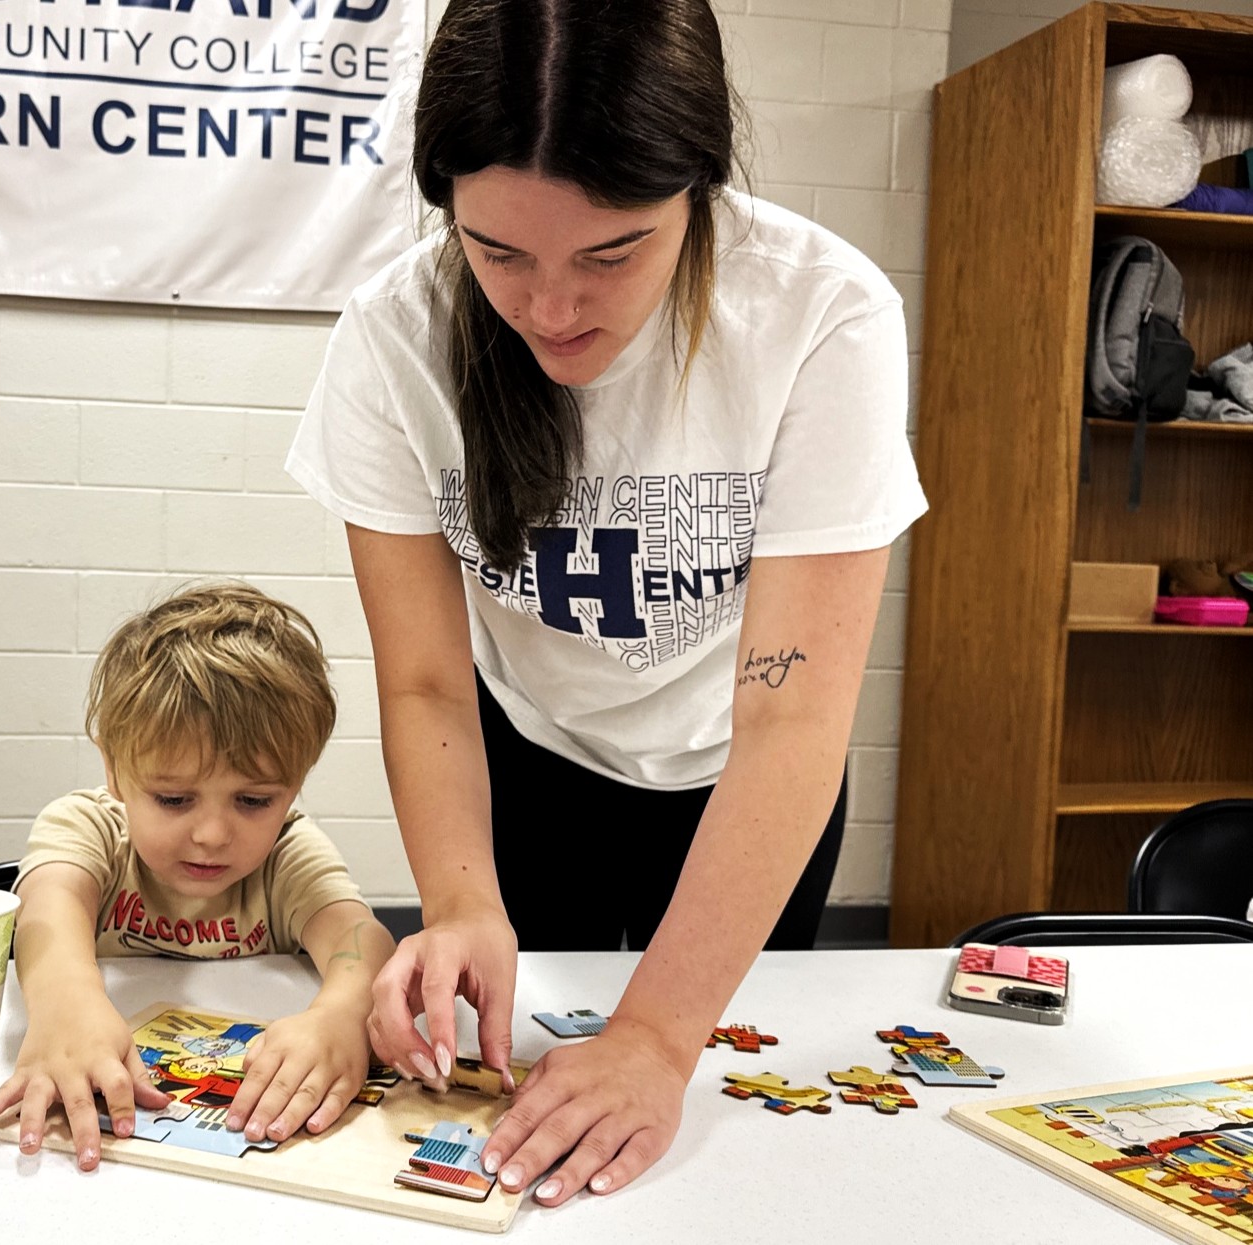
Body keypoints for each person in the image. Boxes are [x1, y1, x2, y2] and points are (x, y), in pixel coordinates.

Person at [285, 0, 927, 1208]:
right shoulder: (391, 335)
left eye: (611, 253)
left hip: (746, 777)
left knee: (709, 1124)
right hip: (528, 757)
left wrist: (657, 1038)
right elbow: (425, 678)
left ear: (697, 191)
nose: (551, 309)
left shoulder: (822, 314)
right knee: (526, 1116)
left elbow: (791, 721)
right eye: (498, 252)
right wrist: (460, 900)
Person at [0, 583, 395, 1170]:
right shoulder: (90, 827)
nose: (213, 834)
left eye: (252, 800)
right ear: (114, 769)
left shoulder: (288, 853)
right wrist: (67, 999)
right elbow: (48, 909)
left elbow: (361, 939)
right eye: (174, 799)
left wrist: (343, 1014)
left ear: (294, 788)